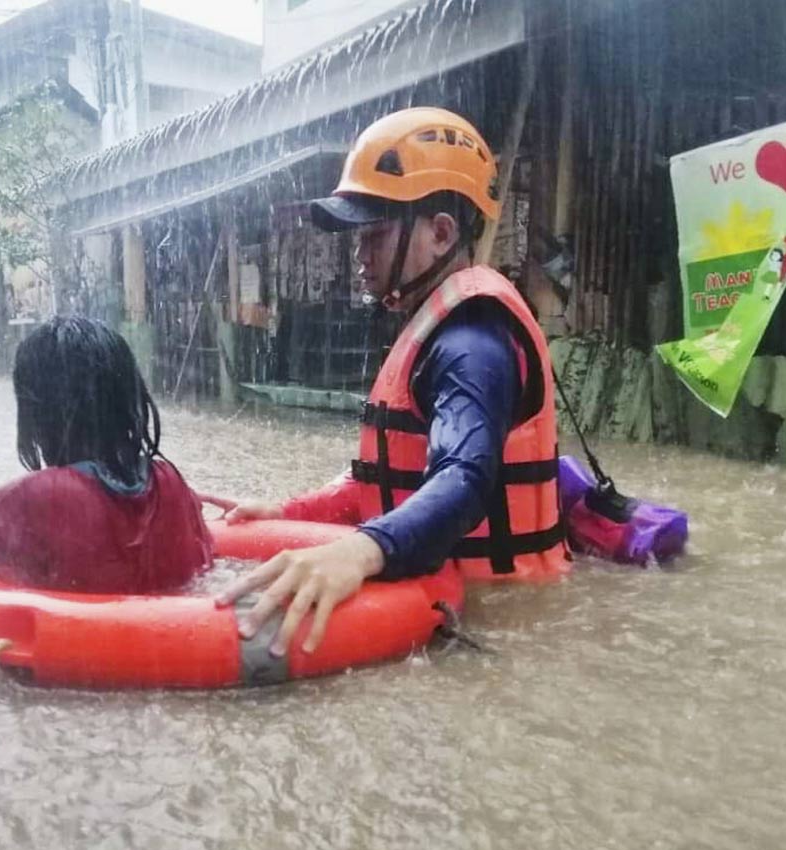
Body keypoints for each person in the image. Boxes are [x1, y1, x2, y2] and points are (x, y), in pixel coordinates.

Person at [207, 108, 570, 658]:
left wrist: (359, 552)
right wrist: (288, 511)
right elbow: (386, 482)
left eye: (373, 237)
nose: (359, 257)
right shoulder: (437, 327)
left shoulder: (471, 344)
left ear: (441, 233)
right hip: (460, 597)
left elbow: (465, 478)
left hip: (501, 620)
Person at [0, 316, 213, 593]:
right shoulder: (170, 483)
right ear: (131, 398)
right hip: (171, 651)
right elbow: (205, 562)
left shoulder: (39, 496)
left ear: (35, 413)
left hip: (74, 667)